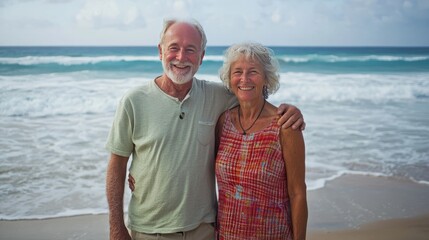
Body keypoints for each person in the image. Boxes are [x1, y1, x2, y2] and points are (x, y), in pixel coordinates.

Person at [106, 18, 305, 240]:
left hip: (204, 231)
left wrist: (292, 111)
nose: (181, 57)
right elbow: (117, 164)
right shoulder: (134, 101)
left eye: (190, 50)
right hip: (149, 231)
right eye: (174, 48)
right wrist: (116, 226)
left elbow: (251, 95)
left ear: (201, 57)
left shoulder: (217, 97)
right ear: (160, 51)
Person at [215, 43, 307, 239]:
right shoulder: (223, 122)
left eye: (253, 72)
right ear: (230, 79)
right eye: (237, 72)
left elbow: (298, 193)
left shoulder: (285, 125)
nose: (244, 79)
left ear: (266, 78)